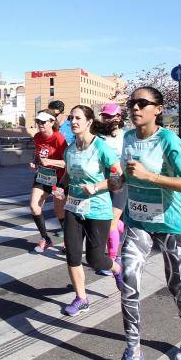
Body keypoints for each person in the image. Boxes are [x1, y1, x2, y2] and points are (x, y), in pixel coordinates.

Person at [112, 86, 181, 360]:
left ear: (158, 109)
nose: (135, 108)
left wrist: (151, 176)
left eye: (142, 103)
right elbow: (126, 177)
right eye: (131, 103)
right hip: (138, 222)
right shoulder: (127, 138)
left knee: (176, 286)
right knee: (128, 282)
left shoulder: (168, 140)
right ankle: (133, 352)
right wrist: (117, 181)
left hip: (171, 224)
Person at [55, 105, 124, 317]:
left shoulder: (100, 147)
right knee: (73, 256)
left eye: (77, 118)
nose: (73, 122)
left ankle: (117, 269)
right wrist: (61, 188)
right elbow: (68, 175)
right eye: (70, 118)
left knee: (96, 260)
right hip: (74, 208)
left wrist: (96, 187)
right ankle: (81, 298)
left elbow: (118, 178)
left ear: (89, 122)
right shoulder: (70, 149)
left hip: (98, 210)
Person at [29, 110, 67, 253]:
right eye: (38, 121)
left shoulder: (59, 138)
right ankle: (45, 238)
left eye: (43, 122)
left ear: (52, 122)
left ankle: (68, 240)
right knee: (34, 206)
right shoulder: (37, 136)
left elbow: (67, 162)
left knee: (59, 211)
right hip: (43, 176)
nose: (40, 125)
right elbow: (37, 153)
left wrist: (49, 161)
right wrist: (34, 161)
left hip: (59, 179)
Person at [97, 102, 126, 276]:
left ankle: (113, 259)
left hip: (121, 183)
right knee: (111, 222)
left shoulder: (127, 136)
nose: (107, 119)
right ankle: (130, 234)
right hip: (103, 183)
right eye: (104, 116)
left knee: (110, 222)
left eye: (110, 116)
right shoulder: (98, 136)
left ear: (118, 117)